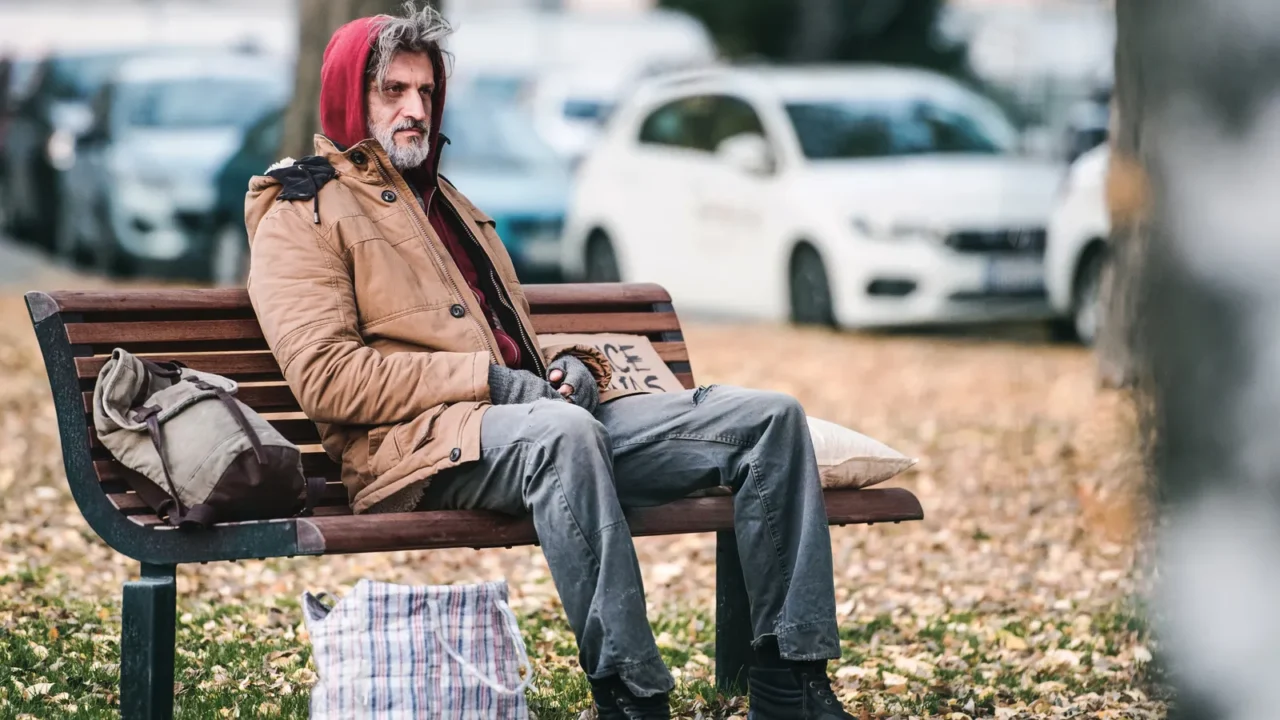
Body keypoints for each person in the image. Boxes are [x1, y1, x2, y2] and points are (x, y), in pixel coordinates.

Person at [245, 4, 856, 718]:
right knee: (561, 436)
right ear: (351, 96)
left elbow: (507, 340)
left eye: (427, 91)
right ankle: (631, 695)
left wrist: (568, 368)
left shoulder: (444, 203)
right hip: (415, 449)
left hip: (528, 422)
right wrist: (492, 383)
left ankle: (791, 685)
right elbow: (328, 379)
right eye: (394, 91)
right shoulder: (303, 212)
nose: (416, 109)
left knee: (767, 421)